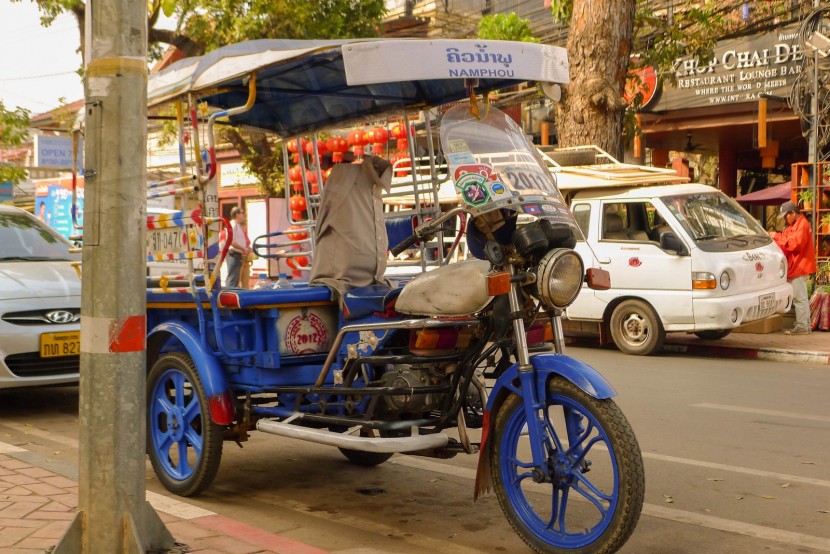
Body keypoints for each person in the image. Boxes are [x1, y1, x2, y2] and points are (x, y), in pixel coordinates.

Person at [770, 200, 816, 335]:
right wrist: (775, 236)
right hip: (797, 266)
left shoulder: (802, 225)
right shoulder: (796, 224)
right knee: (801, 298)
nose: (785, 218)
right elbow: (785, 237)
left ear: (793, 213)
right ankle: (805, 326)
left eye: (786, 215)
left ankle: (802, 327)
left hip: (799, 267)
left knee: (799, 298)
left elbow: (795, 245)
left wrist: (775, 237)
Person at [225, 206, 251, 288]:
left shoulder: (237, 226)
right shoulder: (233, 225)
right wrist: (243, 249)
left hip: (237, 255)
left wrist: (246, 248)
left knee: (235, 281)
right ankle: (229, 297)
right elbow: (230, 241)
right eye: (242, 213)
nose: (244, 215)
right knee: (233, 280)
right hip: (233, 254)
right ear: (237, 214)